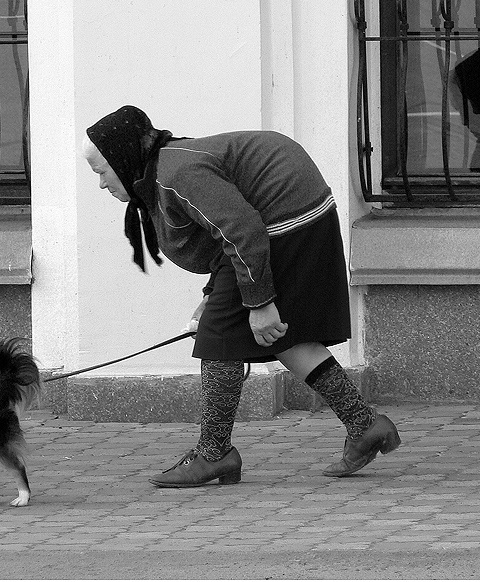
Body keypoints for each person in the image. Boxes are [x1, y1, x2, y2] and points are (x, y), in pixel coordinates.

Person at [82, 105, 401, 488]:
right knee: (281, 336)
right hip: (295, 213)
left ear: (121, 158)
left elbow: (243, 231)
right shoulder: (163, 172)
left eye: (101, 172)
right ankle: (365, 425)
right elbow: (222, 238)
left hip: (285, 217)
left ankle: (215, 454)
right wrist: (214, 294)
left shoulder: (175, 174)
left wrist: (259, 303)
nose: (101, 184)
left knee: (219, 336)